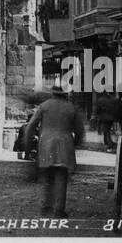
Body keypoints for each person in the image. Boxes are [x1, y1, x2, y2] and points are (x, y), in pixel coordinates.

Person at [30, 83, 85, 218]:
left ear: (53, 93)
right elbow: (79, 131)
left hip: (46, 145)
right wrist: (75, 144)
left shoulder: (44, 106)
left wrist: (29, 144)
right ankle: (59, 209)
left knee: (48, 175)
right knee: (61, 176)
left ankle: (46, 206)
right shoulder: (71, 108)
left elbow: (31, 125)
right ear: (65, 94)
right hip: (65, 145)